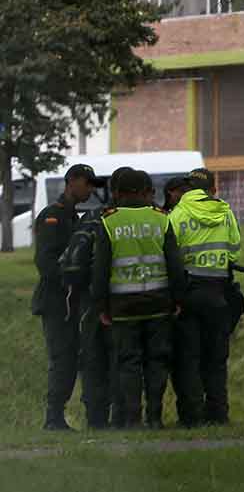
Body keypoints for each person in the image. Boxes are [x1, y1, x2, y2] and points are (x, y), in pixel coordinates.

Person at [92, 169, 186, 429]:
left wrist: (101, 305)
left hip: (123, 306)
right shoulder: (161, 219)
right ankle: (154, 417)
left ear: (119, 193)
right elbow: (174, 264)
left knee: (129, 362)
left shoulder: (109, 221)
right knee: (157, 360)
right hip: (158, 302)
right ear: (145, 192)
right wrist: (178, 299)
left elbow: (100, 269)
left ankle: (133, 418)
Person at [59, 166, 134, 430]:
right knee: (122, 360)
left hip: (90, 303)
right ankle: (122, 417)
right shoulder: (137, 221)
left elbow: (71, 262)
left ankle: (95, 420)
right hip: (125, 303)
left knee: (92, 361)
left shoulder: (91, 217)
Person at [31, 162, 103, 430]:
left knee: (75, 358)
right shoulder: (53, 216)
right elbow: (45, 261)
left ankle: (61, 416)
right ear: (71, 181)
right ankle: (53, 417)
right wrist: (69, 282)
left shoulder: (76, 218)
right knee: (62, 358)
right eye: (87, 183)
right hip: (56, 301)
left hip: (73, 301)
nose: (90, 190)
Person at [169, 167, 241, 426]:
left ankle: (191, 417)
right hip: (218, 293)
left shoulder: (177, 214)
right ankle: (218, 414)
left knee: (189, 359)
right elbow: (234, 251)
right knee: (216, 359)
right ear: (212, 189)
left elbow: (170, 254)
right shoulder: (226, 213)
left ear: (189, 188)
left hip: (189, 294)